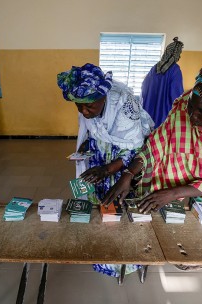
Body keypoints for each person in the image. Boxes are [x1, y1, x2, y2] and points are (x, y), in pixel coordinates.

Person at [103, 62, 202, 219]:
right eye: (191, 106)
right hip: (185, 183)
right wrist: (128, 174)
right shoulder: (184, 105)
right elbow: (156, 144)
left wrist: (175, 193)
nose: (192, 116)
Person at [57, 63, 154, 279]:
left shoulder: (124, 108)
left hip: (127, 163)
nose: (83, 111)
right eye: (78, 106)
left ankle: (124, 259)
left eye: (88, 106)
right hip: (103, 157)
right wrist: (87, 144)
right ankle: (101, 250)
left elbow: (137, 148)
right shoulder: (89, 103)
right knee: (100, 206)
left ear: (104, 97)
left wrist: (109, 169)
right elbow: (93, 128)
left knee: (123, 208)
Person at [141, 37, 184, 128]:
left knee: (147, 133)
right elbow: (176, 95)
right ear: (175, 54)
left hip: (148, 109)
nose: (179, 56)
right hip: (164, 112)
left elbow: (144, 87)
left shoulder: (155, 67)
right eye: (179, 54)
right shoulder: (175, 70)